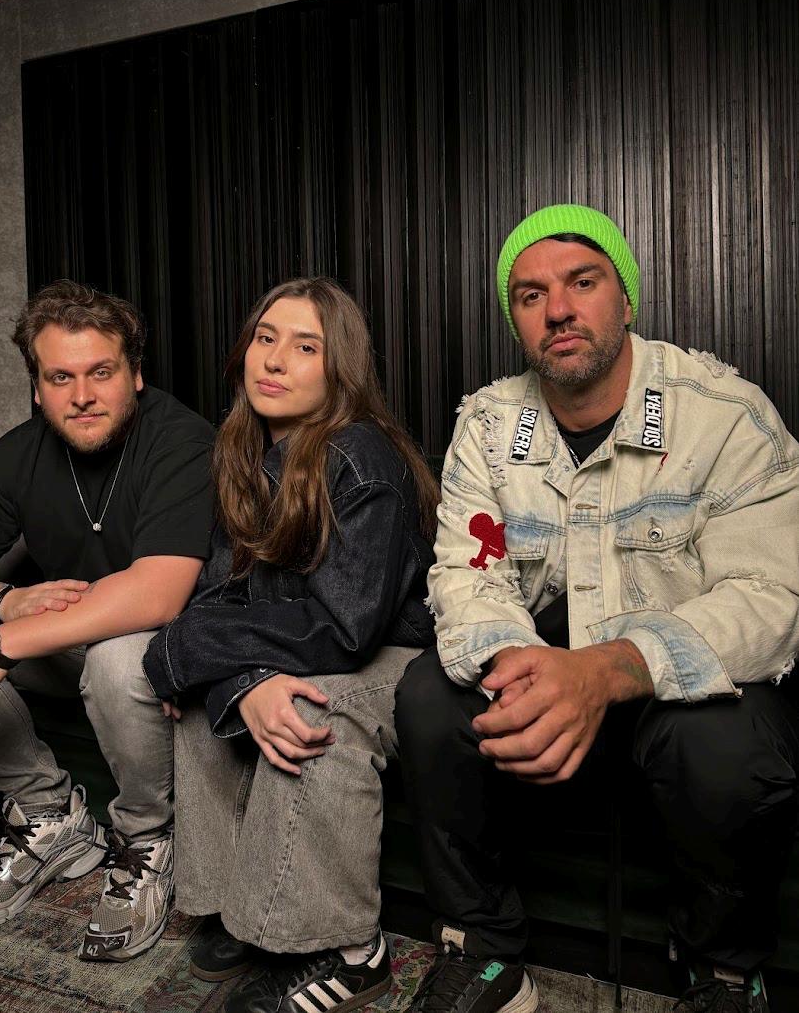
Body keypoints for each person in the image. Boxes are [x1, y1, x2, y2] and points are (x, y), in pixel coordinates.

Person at [394, 205, 799, 1013]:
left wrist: (610, 670)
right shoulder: (489, 425)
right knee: (430, 696)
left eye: (583, 282)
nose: (558, 309)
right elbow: (468, 572)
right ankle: (483, 949)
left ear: (627, 298)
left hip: (668, 685)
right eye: (530, 294)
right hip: (540, 668)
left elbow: (769, 598)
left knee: (729, 744)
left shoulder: (724, 416)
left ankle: (720, 969)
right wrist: (520, 668)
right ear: (516, 319)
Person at [143, 276, 438, 1013]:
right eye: (265, 338)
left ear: (339, 369)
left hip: (392, 656)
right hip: (300, 641)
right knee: (203, 693)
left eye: (306, 347)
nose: (274, 360)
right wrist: (237, 678)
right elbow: (220, 593)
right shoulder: (243, 451)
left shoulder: (361, 457)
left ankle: (351, 952)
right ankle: (238, 908)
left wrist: (206, 651)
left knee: (308, 709)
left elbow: (348, 626)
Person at [0, 280, 214, 962]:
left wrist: (1, 643)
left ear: (135, 374)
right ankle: (51, 818)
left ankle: (148, 840)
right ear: (38, 388)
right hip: (66, 643)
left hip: (170, 662)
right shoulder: (21, 453)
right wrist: (4, 603)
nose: (82, 395)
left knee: (117, 654)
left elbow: (157, 595)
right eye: (60, 377)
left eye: (102, 372)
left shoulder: (181, 441)